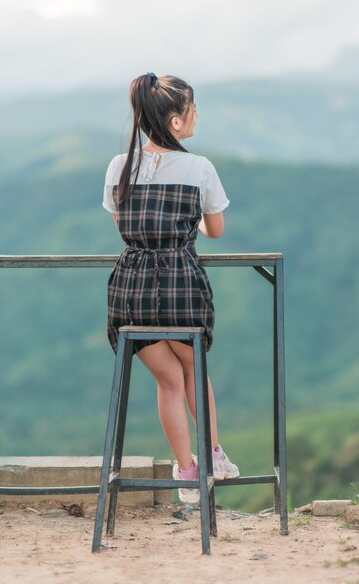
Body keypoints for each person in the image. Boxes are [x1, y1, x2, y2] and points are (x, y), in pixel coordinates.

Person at [102, 72, 239, 505]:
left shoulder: (117, 167)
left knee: (168, 382)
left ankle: (186, 471)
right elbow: (214, 229)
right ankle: (213, 456)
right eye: (193, 110)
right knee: (194, 371)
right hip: (182, 284)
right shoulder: (199, 168)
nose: (197, 116)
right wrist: (188, 222)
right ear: (176, 123)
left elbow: (122, 225)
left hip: (132, 290)